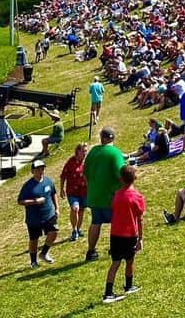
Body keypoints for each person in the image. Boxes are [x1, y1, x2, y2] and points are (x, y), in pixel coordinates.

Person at [103, 165, 145, 304]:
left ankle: (108, 293)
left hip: (115, 234)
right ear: (135, 178)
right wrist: (141, 239)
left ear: (121, 179)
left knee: (115, 263)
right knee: (130, 260)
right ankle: (129, 286)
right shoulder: (137, 197)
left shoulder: (117, 195)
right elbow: (140, 219)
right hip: (130, 234)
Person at [83, 127, 126, 261]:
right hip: (110, 197)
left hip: (94, 196)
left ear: (102, 138)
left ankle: (90, 252)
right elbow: (121, 175)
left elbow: (85, 174)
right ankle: (115, 248)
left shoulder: (93, 151)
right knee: (117, 222)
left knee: (96, 222)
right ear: (112, 138)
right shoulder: (115, 152)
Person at [17, 159, 58, 268]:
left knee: (54, 232)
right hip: (34, 218)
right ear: (32, 171)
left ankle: (44, 253)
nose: (41, 171)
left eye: (42, 168)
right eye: (38, 169)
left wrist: (57, 208)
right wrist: (35, 201)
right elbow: (20, 201)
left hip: (49, 214)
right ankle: (33, 261)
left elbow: (53, 193)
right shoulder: (28, 186)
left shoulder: (48, 181)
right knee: (34, 239)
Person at [61, 142, 88, 241]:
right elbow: (63, 175)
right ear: (77, 151)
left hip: (84, 191)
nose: (85, 153)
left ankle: (78, 229)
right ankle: (74, 230)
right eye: (83, 151)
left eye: (86, 151)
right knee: (75, 208)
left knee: (81, 210)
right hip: (72, 191)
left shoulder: (87, 162)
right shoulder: (71, 162)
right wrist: (61, 188)